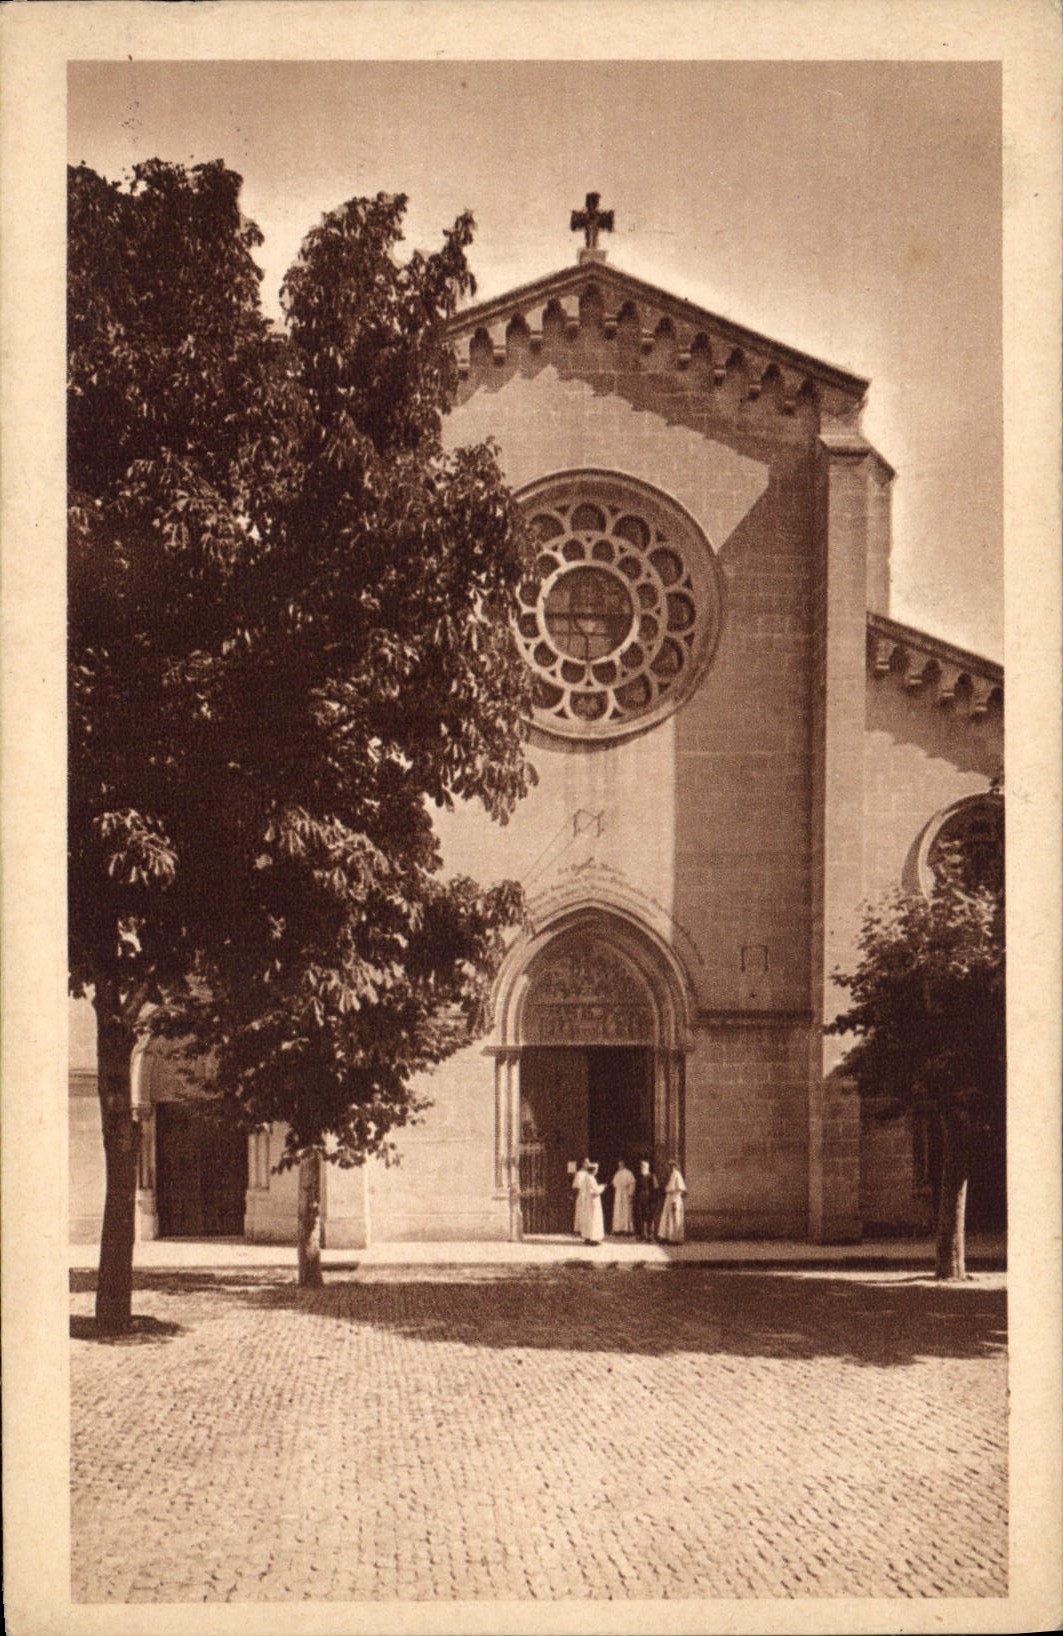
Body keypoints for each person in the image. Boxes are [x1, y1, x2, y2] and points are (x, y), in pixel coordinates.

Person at [572, 1157, 605, 1244]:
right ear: (594, 1170)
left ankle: (587, 1237)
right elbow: (596, 1190)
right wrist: (602, 1187)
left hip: (587, 1201)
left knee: (588, 1219)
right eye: (596, 1169)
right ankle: (593, 1238)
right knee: (594, 1219)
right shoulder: (591, 1178)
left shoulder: (587, 1177)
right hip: (592, 1202)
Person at [657, 1160, 687, 1244]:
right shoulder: (671, 1175)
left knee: (675, 1218)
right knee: (668, 1218)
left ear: (674, 1166)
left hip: (674, 1198)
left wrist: (674, 1200)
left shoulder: (676, 1174)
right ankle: (668, 1237)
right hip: (670, 1198)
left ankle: (675, 1238)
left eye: (670, 1166)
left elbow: (679, 1188)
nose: (669, 1168)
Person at [634, 1158, 660, 1243]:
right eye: (641, 1167)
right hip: (640, 1200)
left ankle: (650, 1235)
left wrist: (654, 1201)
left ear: (647, 1168)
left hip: (649, 1200)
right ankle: (643, 1235)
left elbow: (656, 1190)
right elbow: (637, 1189)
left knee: (650, 1218)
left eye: (644, 1167)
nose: (642, 1168)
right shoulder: (639, 1177)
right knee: (641, 1218)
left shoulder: (652, 1176)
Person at [609, 1157, 636, 1236]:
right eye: (619, 1164)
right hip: (618, 1193)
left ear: (624, 1164)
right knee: (618, 1210)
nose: (620, 1166)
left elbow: (632, 1183)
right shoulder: (617, 1173)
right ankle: (618, 1229)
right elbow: (614, 1183)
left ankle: (626, 1229)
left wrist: (630, 1194)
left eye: (621, 1164)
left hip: (625, 1193)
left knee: (626, 1210)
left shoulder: (629, 1173)